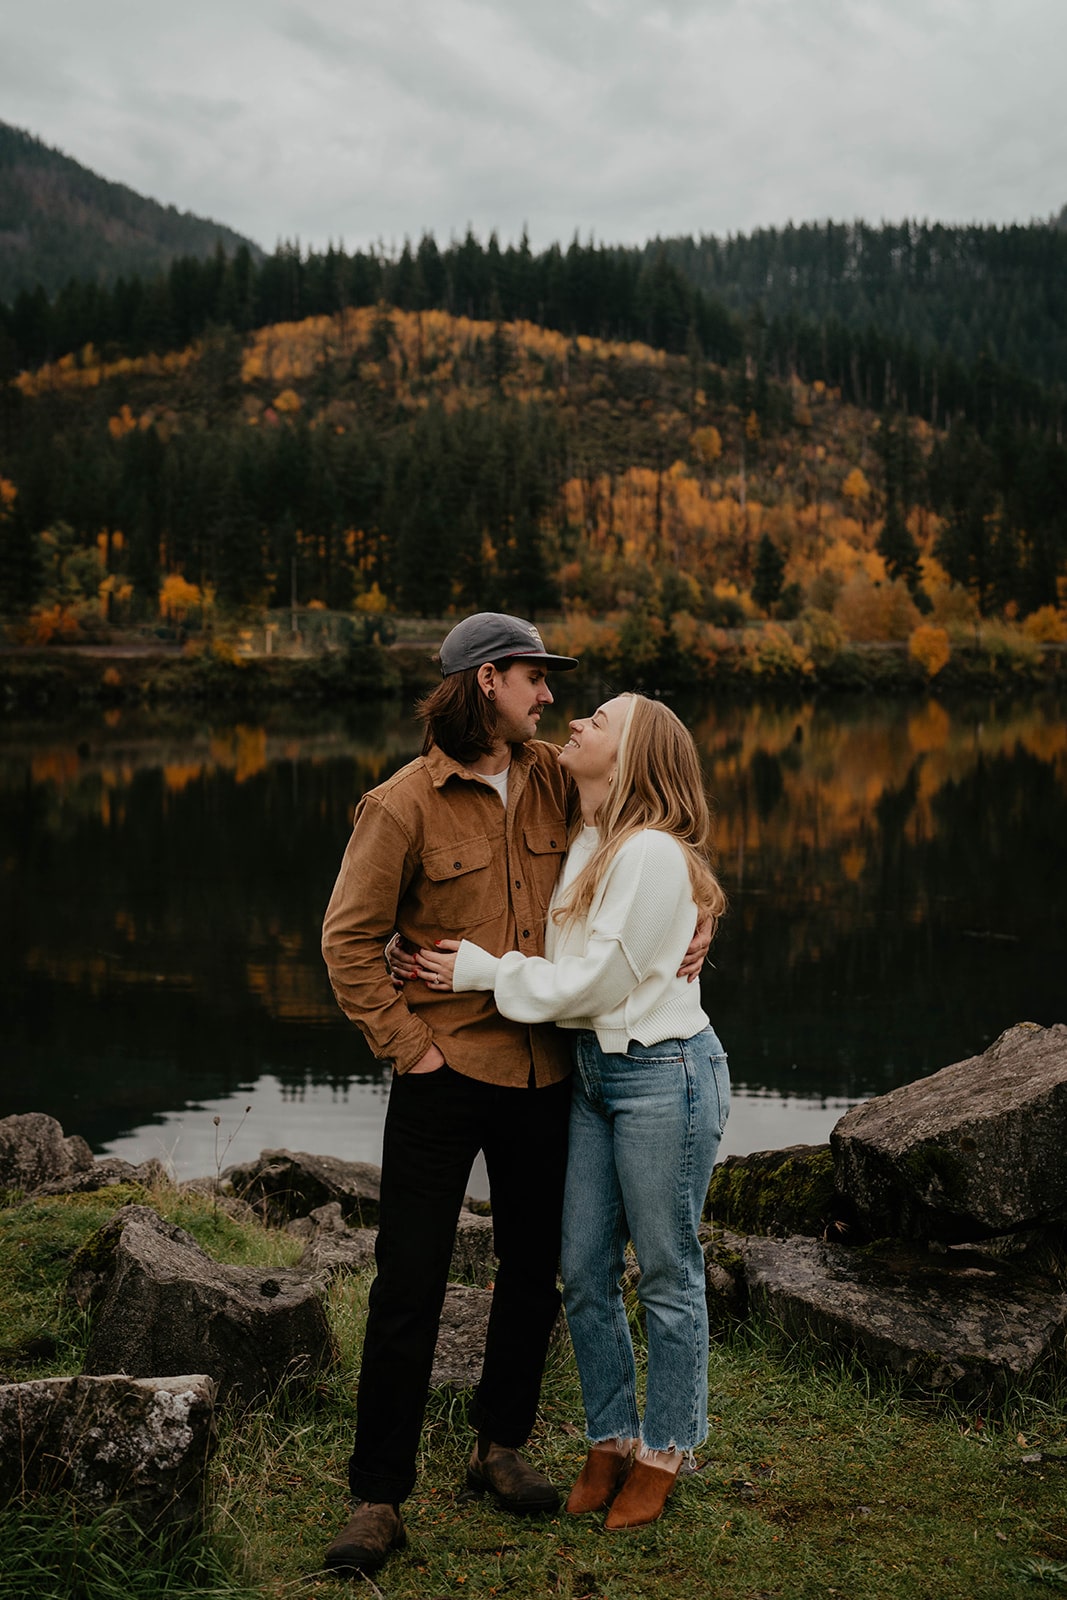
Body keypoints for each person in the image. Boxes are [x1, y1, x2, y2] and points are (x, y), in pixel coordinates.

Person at [320, 612, 709, 1578]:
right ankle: (377, 1498)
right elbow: (347, 942)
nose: (550, 697)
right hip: (442, 1079)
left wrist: (703, 912)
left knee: (536, 1275)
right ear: (488, 681)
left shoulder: (549, 779)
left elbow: (650, 846)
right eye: (536, 679)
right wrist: (407, 1050)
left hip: (551, 1074)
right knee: (408, 1282)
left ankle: (501, 1446)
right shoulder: (400, 806)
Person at [416, 691, 730, 1532]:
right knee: (583, 1270)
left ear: (629, 758)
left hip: (664, 1074)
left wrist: (483, 972)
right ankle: (609, 1438)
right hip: (592, 1074)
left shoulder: (652, 854)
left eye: (599, 719)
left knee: (666, 1272)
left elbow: (595, 984)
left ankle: (665, 1449)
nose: (577, 723)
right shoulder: (589, 833)